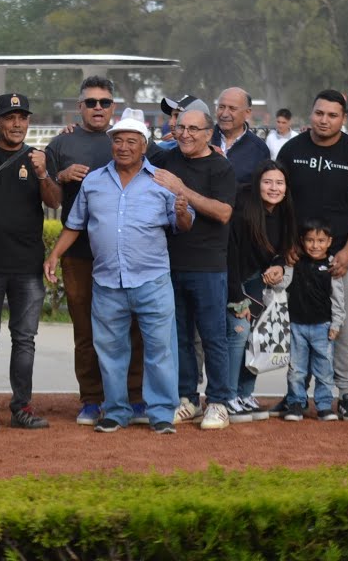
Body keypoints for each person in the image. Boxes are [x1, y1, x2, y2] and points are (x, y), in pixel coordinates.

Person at [44, 111, 194, 434]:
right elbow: (74, 224)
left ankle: (161, 414)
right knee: (110, 351)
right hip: (108, 281)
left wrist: (182, 214)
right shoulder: (94, 182)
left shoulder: (162, 181)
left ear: (144, 147)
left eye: (131, 141)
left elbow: (184, 224)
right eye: (118, 141)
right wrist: (55, 253)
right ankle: (115, 411)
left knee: (160, 350)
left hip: (152, 280)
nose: (123, 147)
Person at [44, 76, 147, 425]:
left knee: (132, 326)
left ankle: (134, 397)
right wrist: (61, 176)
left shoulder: (126, 140)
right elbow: (49, 197)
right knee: (85, 330)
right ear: (80, 107)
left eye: (104, 102)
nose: (98, 108)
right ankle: (91, 398)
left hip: (126, 253)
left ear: (114, 107)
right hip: (79, 253)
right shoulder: (62, 143)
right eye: (91, 102)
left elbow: (168, 159)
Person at [274, 89, 348, 421]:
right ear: (311, 113)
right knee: (297, 332)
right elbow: (280, 201)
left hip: (342, 263)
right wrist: (287, 243)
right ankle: (295, 396)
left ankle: (345, 394)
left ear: (343, 119)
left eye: (332, 115)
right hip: (298, 263)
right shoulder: (292, 150)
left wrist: (347, 251)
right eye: (319, 113)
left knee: (343, 331)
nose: (324, 120)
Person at [0, 93, 62, 434]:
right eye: (10, 117)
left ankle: (21, 407)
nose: (17, 124)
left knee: (24, 340)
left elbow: (54, 200)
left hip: (27, 266)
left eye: (22, 117)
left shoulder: (37, 157)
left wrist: (42, 173)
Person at [150, 107, 237, 430]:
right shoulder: (167, 160)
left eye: (193, 129)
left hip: (209, 266)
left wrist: (180, 188)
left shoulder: (220, 167)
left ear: (208, 133)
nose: (185, 134)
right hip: (170, 263)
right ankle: (187, 398)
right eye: (181, 127)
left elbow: (224, 212)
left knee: (214, 336)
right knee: (180, 336)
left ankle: (218, 401)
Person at [225, 159, 297, 422]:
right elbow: (229, 256)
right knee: (238, 334)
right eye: (268, 182)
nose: (274, 188)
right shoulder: (243, 211)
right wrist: (236, 297)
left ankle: (245, 393)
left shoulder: (285, 211)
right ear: (257, 185)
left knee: (255, 338)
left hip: (259, 281)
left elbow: (280, 250)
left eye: (279, 183)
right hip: (235, 279)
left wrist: (278, 264)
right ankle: (227, 396)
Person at [281, 219, 345, 422]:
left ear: (329, 242)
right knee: (296, 370)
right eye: (310, 240)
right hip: (297, 325)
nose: (315, 245)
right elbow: (283, 285)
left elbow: (338, 298)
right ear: (302, 241)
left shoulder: (332, 266)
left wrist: (336, 324)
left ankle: (325, 406)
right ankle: (296, 403)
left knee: (324, 370)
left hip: (323, 328)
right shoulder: (296, 262)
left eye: (320, 240)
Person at [211, 87, 271, 185]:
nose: (225, 114)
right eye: (221, 107)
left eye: (232, 108)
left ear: (247, 113)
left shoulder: (259, 149)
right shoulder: (202, 138)